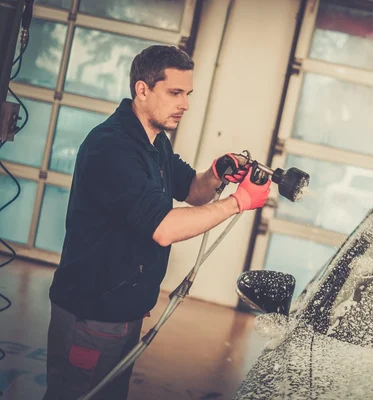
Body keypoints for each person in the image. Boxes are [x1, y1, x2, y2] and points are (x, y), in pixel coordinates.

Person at [43, 45, 270, 400]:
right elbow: (164, 228)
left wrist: (216, 174)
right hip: (92, 313)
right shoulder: (112, 147)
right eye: (175, 93)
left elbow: (193, 191)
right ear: (142, 89)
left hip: (125, 310)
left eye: (188, 94)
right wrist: (239, 202)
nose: (185, 104)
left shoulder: (154, 141)